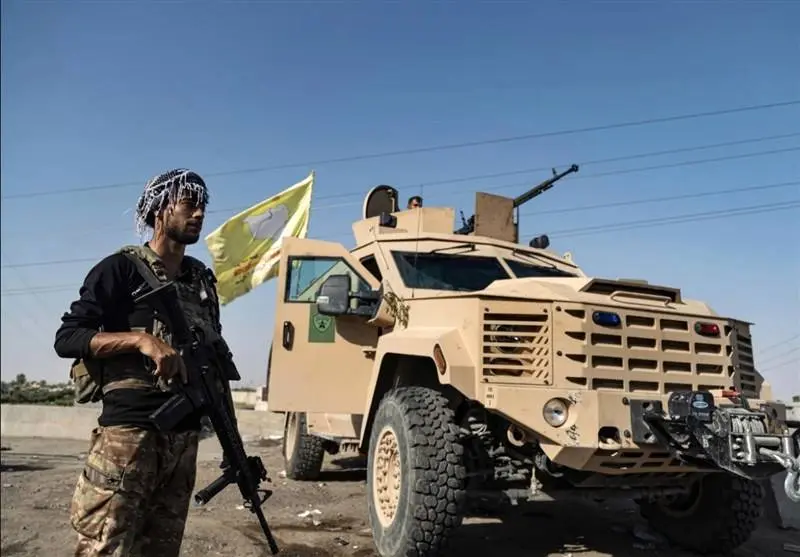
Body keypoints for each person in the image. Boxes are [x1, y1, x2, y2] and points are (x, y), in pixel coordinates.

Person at [53, 168, 226, 557]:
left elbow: (212, 358)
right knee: (103, 548)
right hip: (128, 437)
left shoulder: (201, 280)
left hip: (183, 441)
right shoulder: (121, 268)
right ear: (160, 209)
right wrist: (141, 341)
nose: (199, 213)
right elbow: (68, 338)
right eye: (189, 203)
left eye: (203, 205)